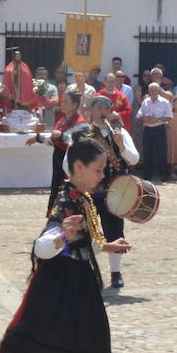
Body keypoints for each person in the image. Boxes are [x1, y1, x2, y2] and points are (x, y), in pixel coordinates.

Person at [0, 136, 133, 353]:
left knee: (68, 349)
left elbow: (89, 236)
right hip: (63, 286)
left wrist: (108, 245)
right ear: (79, 168)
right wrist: (62, 237)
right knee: (71, 350)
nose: (102, 175)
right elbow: (42, 247)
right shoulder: (68, 200)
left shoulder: (84, 196)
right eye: (97, 169)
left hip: (78, 282)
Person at [67, 96, 139, 288]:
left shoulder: (120, 132)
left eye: (106, 108)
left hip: (113, 192)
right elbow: (68, 163)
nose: (102, 111)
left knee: (114, 230)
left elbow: (134, 159)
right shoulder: (82, 133)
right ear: (91, 111)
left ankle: (116, 272)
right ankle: (83, 269)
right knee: (83, 230)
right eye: (98, 107)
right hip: (89, 192)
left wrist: (121, 145)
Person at [28, 90, 87, 211]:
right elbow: (53, 140)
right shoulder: (62, 121)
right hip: (58, 161)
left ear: (75, 105)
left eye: (66, 101)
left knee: (70, 193)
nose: (62, 104)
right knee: (57, 190)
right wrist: (38, 138)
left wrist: (60, 135)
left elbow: (74, 141)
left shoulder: (82, 124)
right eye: (62, 101)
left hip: (71, 163)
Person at [137, 82, 172, 183]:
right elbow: (139, 115)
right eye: (151, 90)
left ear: (158, 90)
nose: (153, 92)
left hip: (159, 128)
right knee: (147, 152)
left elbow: (169, 116)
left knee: (162, 152)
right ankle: (147, 174)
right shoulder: (145, 102)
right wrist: (145, 118)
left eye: (155, 90)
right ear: (148, 91)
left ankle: (163, 175)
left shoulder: (165, 102)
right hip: (147, 129)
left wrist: (157, 120)